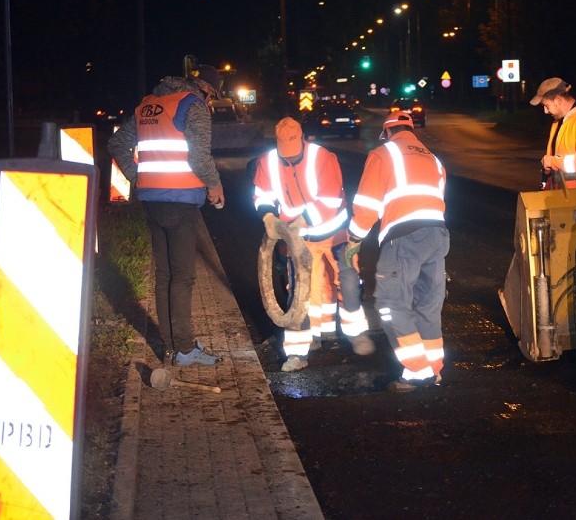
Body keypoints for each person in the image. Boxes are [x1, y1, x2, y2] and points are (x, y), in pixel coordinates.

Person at [108, 64, 225, 366]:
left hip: (151, 199)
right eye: (212, 96)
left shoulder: (148, 105)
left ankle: (170, 347)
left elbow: (117, 142)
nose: (209, 101)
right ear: (207, 90)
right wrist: (214, 185)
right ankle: (184, 349)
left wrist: (139, 176)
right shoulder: (192, 105)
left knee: (164, 275)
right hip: (181, 199)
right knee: (183, 277)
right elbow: (199, 156)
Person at [253, 117, 375, 372]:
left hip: (334, 233)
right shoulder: (267, 162)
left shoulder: (323, 158)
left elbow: (330, 200)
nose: (289, 159)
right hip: (298, 240)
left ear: (302, 141)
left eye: (294, 154)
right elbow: (262, 193)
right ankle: (298, 352)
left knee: (348, 283)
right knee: (299, 293)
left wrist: (300, 221)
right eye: (284, 154)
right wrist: (267, 214)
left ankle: (356, 335)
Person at [346, 112, 449, 392]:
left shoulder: (384, 154)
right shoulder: (433, 159)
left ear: (387, 132)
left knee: (391, 304)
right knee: (427, 305)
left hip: (404, 237)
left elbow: (368, 203)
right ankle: (434, 368)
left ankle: (418, 371)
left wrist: (354, 237)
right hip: (437, 234)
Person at [529, 77, 576, 189]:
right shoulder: (560, 121)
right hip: (565, 194)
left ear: (558, 100)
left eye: (546, 105)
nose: (545, 111)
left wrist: (553, 162)